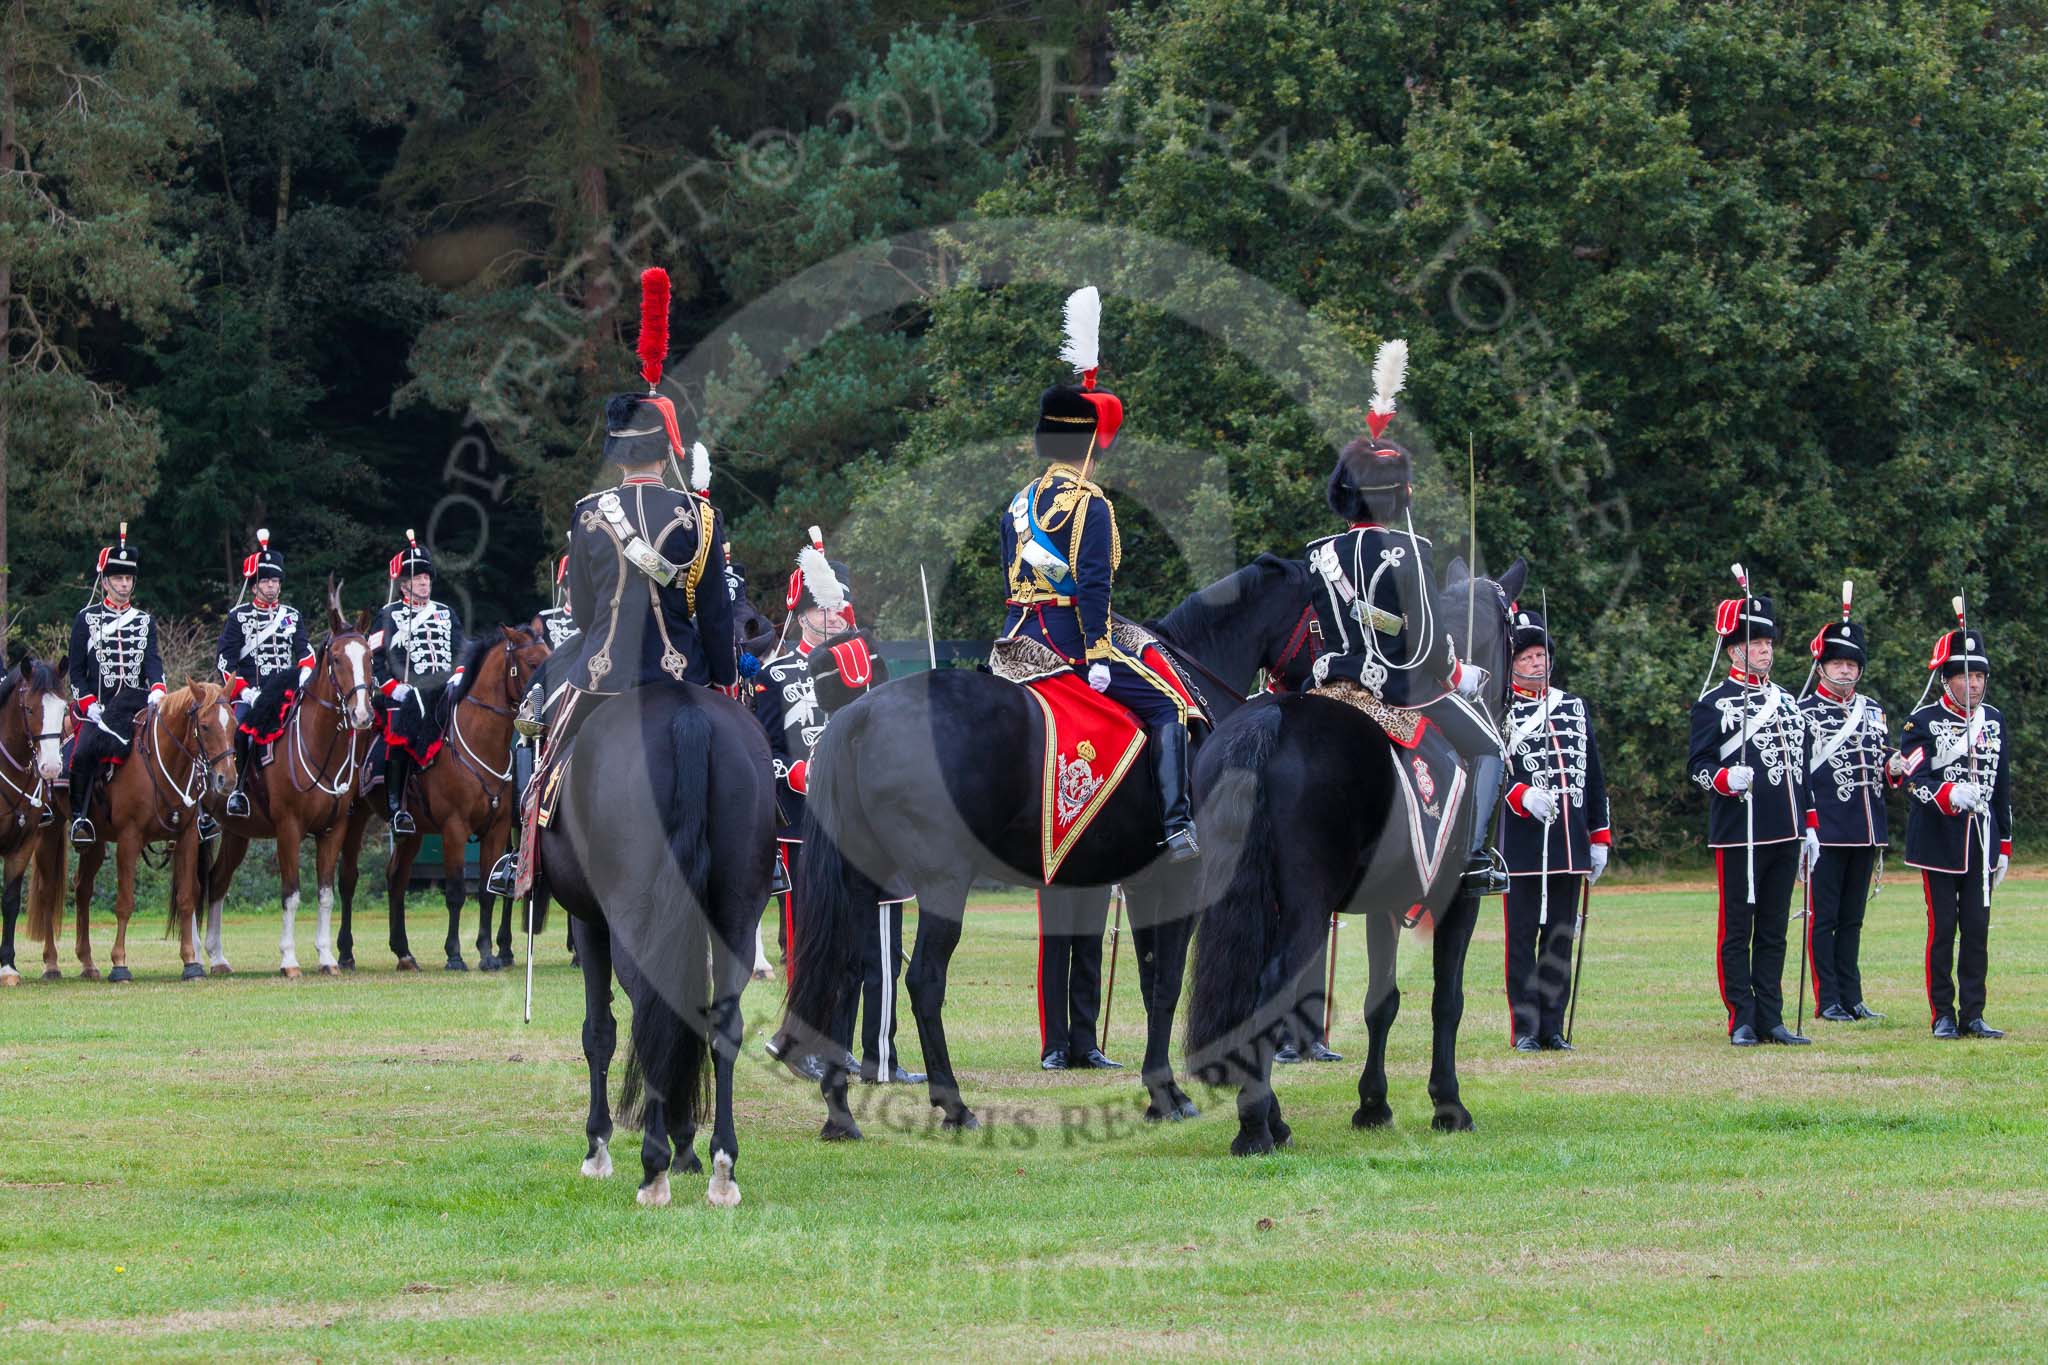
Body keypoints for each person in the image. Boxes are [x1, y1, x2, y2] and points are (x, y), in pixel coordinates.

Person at [999, 286, 1198, 862]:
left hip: (1015, 637)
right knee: (1169, 706)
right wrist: (1101, 654)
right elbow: (1093, 587)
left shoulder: (1018, 501)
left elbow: (1010, 577)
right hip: (1067, 638)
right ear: (1089, 443)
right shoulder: (1090, 503)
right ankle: (1178, 826)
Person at [1301, 340, 1508, 894]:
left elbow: (1313, 630)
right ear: (1396, 496)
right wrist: (1460, 674)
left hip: (1329, 684)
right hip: (1399, 688)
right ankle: (1473, 861)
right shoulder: (1409, 551)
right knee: (1491, 746)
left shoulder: (1318, 553)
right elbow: (1428, 647)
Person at [754, 532, 922, 1084]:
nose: (831, 617)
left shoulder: (865, 663)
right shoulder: (774, 676)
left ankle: (875, 1055)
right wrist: (792, 772)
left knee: (874, 947)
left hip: (867, 821)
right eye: (820, 609)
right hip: (804, 826)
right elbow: (761, 753)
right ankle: (808, 1040)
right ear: (800, 614)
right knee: (813, 942)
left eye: (837, 607)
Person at [1688, 590, 1819, 1046]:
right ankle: (1741, 1016)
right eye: (1754, 642)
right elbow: (1698, 767)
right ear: (1733, 650)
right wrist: (1724, 778)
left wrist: (1811, 826)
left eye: (1768, 642)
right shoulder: (1714, 703)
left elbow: (1803, 771)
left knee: (1773, 930)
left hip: (1786, 832)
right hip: (1740, 834)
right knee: (1738, 929)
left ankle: (1771, 1016)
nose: (1764, 649)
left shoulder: (1786, 701)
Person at [1498, 606, 1611, 1051]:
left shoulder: (1572, 706)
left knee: (1560, 939)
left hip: (1568, 845)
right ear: (1512, 664)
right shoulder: (1499, 709)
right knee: (1522, 940)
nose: (1536, 663)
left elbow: (1594, 775)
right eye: (1526, 657)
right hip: (1523, 845)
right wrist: (1520, 794)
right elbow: (1488, 769)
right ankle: (1525, 1028)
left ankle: (1552, 1026)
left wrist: (1598, 838)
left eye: (1541, 655)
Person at [1898, 621, 2011, 1039]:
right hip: (1937, 842)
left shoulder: (1995, 720)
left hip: (1982, 840)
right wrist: (1948, 794)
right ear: (1947, 679)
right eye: (1966, 675)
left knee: (1978, 932)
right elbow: (1912, 781)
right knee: (1943, 929)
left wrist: (2004, 845)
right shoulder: (1921, 721)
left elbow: (2002, 788)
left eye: (1980, 676)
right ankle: (1942, 1013)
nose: (1975, 684)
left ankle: (1974, 1013)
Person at [1796, 593, 1892, 1023]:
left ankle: (1852, 997)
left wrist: (1895, 767)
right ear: (1821, 666)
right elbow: (1799, 777)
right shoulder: (1803, 712)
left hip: (1867, 828)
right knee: (1824, 918)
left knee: (1852, 919)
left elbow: (1882, 768)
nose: (1846, 669)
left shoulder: (1873, 710)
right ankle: (1828, 998)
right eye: (1838, 663)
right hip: (1828, 830)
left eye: (1852, 664)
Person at [67, 523, 167, 846]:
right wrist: (87, 704)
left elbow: (152, 660)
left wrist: (157, 689)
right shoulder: (85, 619)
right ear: (105, 582)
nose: (124, 585)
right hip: (100, 708)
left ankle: (183, 812)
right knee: (81, 754)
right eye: (118, 579)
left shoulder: (144, 620)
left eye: (128, 579)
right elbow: (76, 672)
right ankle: (80, 818)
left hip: (137, 704)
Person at [369, 530, 466, 837]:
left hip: (445, 688)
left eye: (427, 577)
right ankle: (397, 806)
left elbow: (460, 650)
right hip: (405, 691)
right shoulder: (388, 614)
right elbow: (375, 659)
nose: (424, 582)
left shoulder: (446, 613)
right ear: (404, 583)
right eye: (417, 578)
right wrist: (390, 687)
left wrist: (460, 672)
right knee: (400, 732)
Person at [216, 529, 315, 820]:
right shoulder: (238, 617)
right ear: (254, 585)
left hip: (287, 691)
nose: (271, 586)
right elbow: (225, 662)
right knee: (243, 734)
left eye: (275, 581)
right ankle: (239, 792)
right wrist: (243, 691)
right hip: (253, 693)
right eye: (265, 581)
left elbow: (305, 651)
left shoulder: (292, 616)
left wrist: (305, 673)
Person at [1037, 886, 1122, 1070]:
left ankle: (1085, 1045)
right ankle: (1055, 1046)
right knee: (1055, 950)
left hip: (1096, 865)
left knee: (1090, 950)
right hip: (1058, 863)